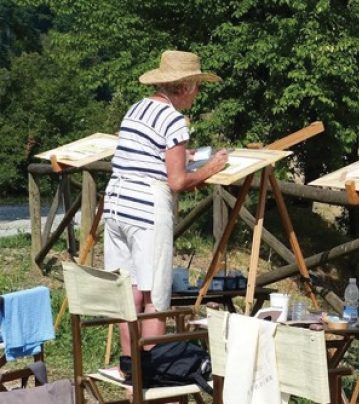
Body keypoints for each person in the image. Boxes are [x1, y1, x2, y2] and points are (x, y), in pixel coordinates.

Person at [103, 50, 229, 377]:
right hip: (146, 208)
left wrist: (180, 154)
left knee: (127, 289)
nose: (198, 93)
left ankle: (129, 365)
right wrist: (210, 169)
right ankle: (151, 371)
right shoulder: (173, 119)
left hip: (116, 204)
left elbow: (146, 152)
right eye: (196, 86)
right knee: (155, 294)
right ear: (184, 86)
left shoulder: (137, 108)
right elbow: (177, 181)